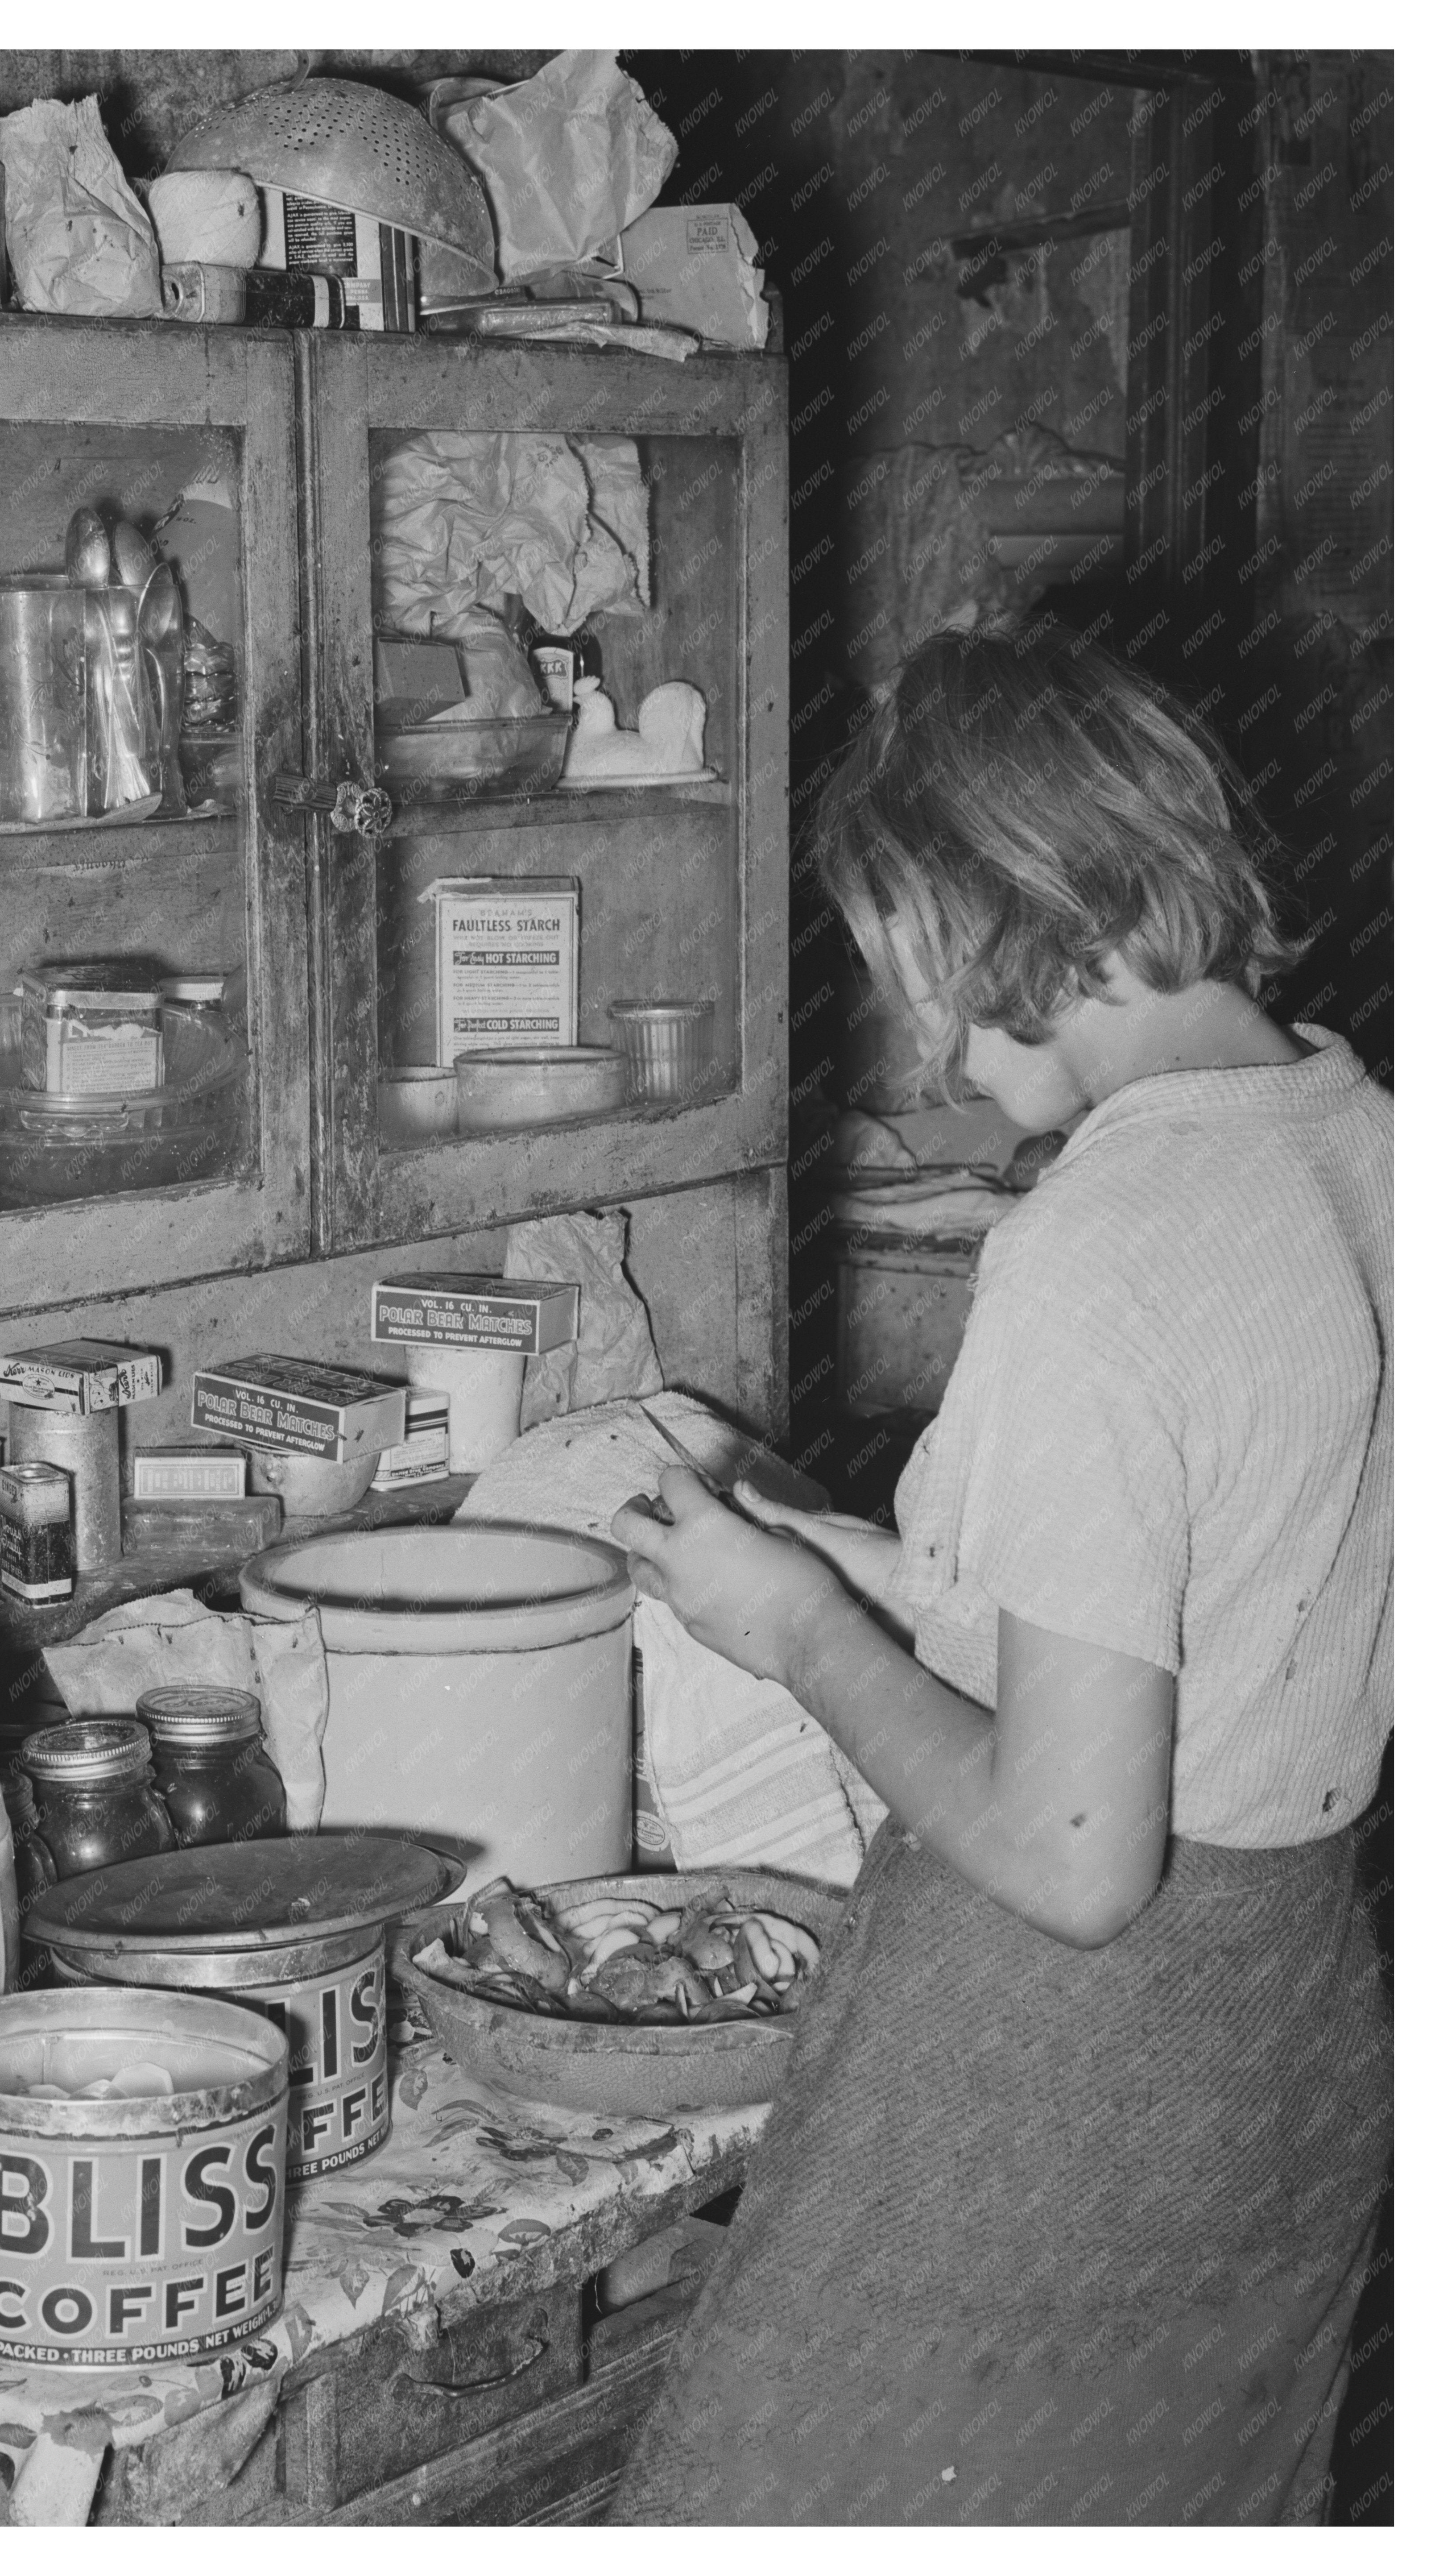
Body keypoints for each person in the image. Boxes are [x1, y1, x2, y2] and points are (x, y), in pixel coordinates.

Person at [607, 623, 1392, 2527]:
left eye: (922, 981)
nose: (931, 1048)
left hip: (1063, 2072)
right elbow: (1231, 1588)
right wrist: (873, 1560)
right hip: (1293, 2031)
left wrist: (798, 1629)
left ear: (1007, 922)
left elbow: (1073, 1856)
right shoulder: (1366, 1134)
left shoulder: (1098, 1246)